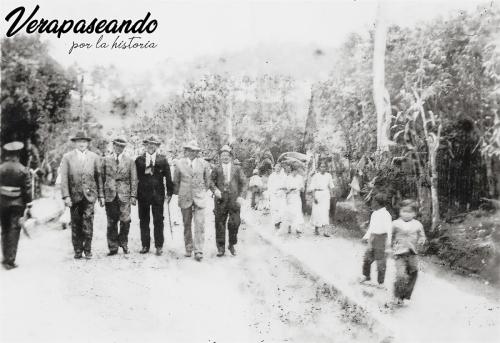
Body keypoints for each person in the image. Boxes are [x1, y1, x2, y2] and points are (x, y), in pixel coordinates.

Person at [59, 131, 104, 259]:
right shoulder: (67, 157)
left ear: (87, 143)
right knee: (76, 224)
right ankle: (78, 250)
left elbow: (99, 177)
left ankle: (88, 250)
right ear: (75, 143)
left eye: (84, 141)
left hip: (89, 196)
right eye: (79, 141)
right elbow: (64, 178)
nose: (82, 144)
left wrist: (101, 196)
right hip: (74, 197)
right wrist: (66, 196)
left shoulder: (94, 157)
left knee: (88, 223)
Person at [135, 135, 174, 255]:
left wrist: (169, 192)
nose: (151, 146)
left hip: (158, 195)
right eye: (148, 144)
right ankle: (145, 245)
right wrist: (134, 194)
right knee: (144, 220)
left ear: (157, 146)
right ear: (145, 145)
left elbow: (168, 177)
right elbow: (135, 178)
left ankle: (159, 245)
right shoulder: (139, 160)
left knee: (158, 220)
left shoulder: (162, 159)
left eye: (153, 144)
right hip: (143, 195)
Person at [173, 140, 211, 261]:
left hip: (199, 197)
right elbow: (176, 182)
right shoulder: (179, 164)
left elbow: (207, 181)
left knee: (200, 224)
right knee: (187, 224)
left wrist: (201, 191)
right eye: (189, 150)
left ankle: (199, 251)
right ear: (186, 151)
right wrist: (180, 192)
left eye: (194, 151)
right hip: (185, 197)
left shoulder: (204, 164)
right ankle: (188, 248)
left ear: (197, 152)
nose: (191, 153)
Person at [102, 137, 137, 256]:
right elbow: (101, 178)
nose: (118, 148)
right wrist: (101, 195)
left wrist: (133, 195)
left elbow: (134, 179)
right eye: (116, 146)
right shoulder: (105, 160)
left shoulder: (130, 161)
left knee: (126, 220)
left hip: (125, 194)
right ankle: (113, 247)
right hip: (110, 194)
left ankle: (123, 241)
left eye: (121, 146)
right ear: (113, 146)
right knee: (111, 222)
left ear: (124, 148)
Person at [0, 141, 32, 269]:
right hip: (17, 204)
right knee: (14, 230)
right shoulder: (23, 169)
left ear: (7, 154)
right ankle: (10, 261)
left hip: (2, 202)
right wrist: (29, 203)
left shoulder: (1, 168)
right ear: (18, 154)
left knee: (4, 229)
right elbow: (27, 189)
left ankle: (5, 257)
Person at [210, 145, 246, 256]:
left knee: (235, 222)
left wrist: (241, 196)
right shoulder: (216, 168)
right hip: (220, 200)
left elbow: (244, 183)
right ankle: (221, 248)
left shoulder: (237, 169)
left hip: (234, 200)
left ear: (230, 156)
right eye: (222, 155)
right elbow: (211, 182)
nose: (225, 157)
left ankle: (232, 244)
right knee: (220, 223)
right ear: (220, 157)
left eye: (227, 155)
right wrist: (215, 190)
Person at [391, 199, 426, 305]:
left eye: (409, 212)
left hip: (412, 253)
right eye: (403, 211)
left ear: (415, 213)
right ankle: (397, 296)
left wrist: (421, 240)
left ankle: (404, 296)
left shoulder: (418, 224)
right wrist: (389, 247)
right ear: (400, 211)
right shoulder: (395, 223)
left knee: (413, 273)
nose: (406, 214)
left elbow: (422, 236)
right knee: (401, 275)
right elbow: (390, 236)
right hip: (399, 253)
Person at [360, 193, 392, 286]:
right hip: (372, 238)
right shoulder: (374, 213)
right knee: (367, 258)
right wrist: (366, 237)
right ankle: (366, 276)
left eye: (374, 202)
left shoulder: (386, 215)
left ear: (378, 203)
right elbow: (371, 227)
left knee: (380, 262)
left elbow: (389, 230)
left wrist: (389, 243)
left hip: (381, 239)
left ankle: (380, 282)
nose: (372, 204)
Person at [310, 160, 335, 237]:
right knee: (316, 212)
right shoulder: (315, 176)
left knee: (325, 212)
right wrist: (314, 197)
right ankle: (316, 229)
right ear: (319, 168)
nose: (323, 168)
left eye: (324, 167)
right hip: (317, 194)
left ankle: (325, 231)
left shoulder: (328, 175)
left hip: (325, 195)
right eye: (321, 166)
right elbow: (312, 188)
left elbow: (331, 187)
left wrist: (332, 196)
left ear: (326, 168)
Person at [284, 161, 304, 236]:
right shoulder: (288, 178)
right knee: (290, 213)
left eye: (297, 170)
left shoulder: (300, 177)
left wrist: (301, 188)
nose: (295, 172)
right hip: (290, 197)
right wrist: (290, 190)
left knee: (298, 212)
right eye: (294, 170)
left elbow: (302, 189)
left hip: (297, 197)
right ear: (291, 170)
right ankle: (289, 226)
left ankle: (298, 229)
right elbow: (286, 190)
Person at [268, 163, 286, 229]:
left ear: (281, 168)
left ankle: (279, 222)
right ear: (274, 167)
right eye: (277, 166)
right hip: (274, 195)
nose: (278, 168)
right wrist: (271, 194)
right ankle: (276, 223)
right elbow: (269, 186)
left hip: (281, 195)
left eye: (279, 167)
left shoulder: (284, 176)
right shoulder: (271, 176)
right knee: (274, 210)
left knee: (282, 210)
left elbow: (285, 185)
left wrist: (281, 191)